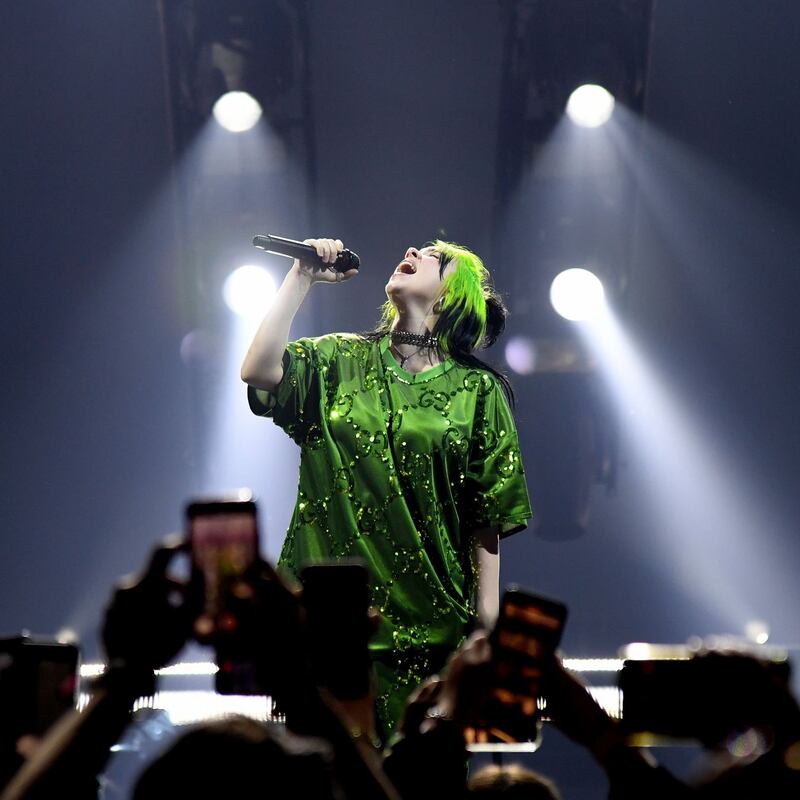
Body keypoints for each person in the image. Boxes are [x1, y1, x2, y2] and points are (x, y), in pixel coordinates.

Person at [241, 237, 532, 739]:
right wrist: (301, 276)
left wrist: (486, 625)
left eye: (435, 259)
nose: (415, 250)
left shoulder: (478, 392)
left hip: (432, 626)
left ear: (449, 298)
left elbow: (488, 516)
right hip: (327, 622)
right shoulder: (338, 358)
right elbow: (259, 371)